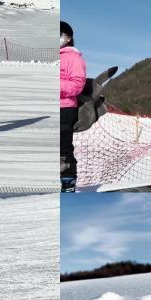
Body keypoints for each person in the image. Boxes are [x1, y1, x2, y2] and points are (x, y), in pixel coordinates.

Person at [60, 20, 87, 193]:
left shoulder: (73, 57)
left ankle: (68, 183)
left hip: (65, 108)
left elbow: (77, 85)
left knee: (63, 149)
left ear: (67, 38)